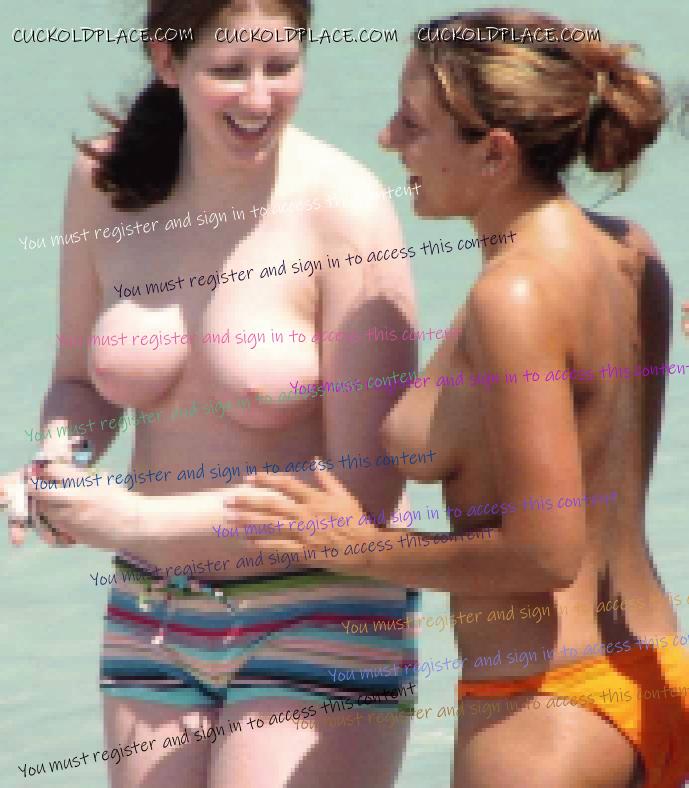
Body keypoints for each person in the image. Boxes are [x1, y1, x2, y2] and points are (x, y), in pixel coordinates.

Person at [229, 10, 689, 787]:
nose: (388, 139)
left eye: (412, 124)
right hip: (650, 677)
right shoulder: (627, 249)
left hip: (543, 713)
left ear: (495, 153)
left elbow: (543, 552)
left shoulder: (511, 296)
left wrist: (352, 547)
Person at [1, 1, 420, 786]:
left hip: (321, 604)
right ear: (168, 61)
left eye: (281, 67)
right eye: (229, 71)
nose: (259, 98)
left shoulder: (346, 206)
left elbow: (366, 488)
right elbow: (80, 384)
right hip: (152, 609)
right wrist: (60, 463)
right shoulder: (104, 181)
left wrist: (136, 519)